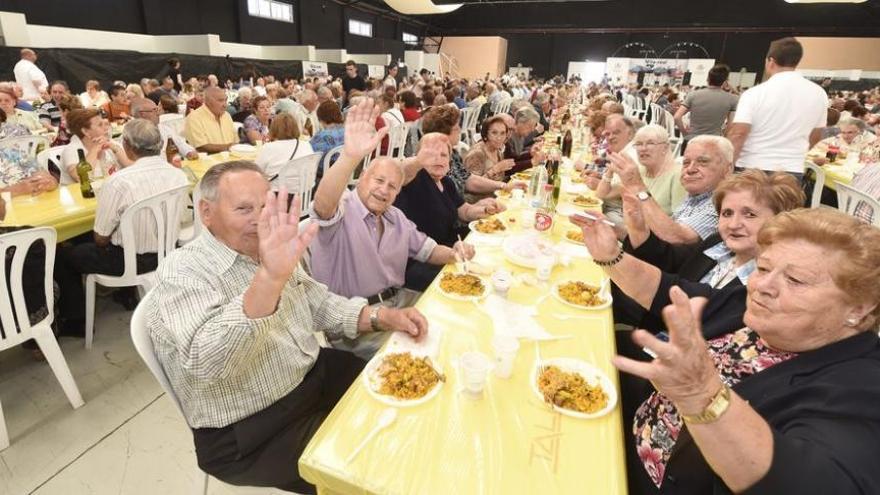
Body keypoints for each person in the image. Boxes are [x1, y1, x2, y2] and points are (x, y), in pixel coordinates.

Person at [147, 160, 427, 493]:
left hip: (308, 377)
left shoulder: (268, 248)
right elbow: (208, 362)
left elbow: (318, 303)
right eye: (243, 209)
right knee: (371, 462)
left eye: (266, 206)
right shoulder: (183, 271)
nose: (259, 219)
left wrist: (382, 316)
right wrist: (269, 279)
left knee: (402, 397)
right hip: (250, 427)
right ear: (206, 212)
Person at [578, 207, 880, 494]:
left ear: (859, 307)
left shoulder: (860, 385)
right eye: (763, 268)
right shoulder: (751, 306)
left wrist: (701, 394)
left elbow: (815, 483)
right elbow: (668, 291)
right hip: (619, 431)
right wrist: (610, 256)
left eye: (796, 280)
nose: (763, 285)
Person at [310, 99, 473, 357]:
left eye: (392, 186)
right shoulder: (342, 211)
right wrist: (350, 157)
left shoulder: (395, 217)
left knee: (457, 322)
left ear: (398, 192)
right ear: (362, 179)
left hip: (401, 300)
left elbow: (428, 250)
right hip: (360, 326)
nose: (383, 190)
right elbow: (322, 204)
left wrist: (455, 253)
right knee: (431, 353)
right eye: (378, 181)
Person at [589, 169, 803, 333]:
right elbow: (669, 260)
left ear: (780, 223)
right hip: (655, 329)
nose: (733, 224)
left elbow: (688, 299)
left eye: (749, 215)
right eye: (727, 213)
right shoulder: (718, 243)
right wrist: (637, 227)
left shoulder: (768, 282)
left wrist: (612, 258)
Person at [55, 119, 187, 333]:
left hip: (130, 261)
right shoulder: (177, 173)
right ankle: (124, 295)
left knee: (63, 255)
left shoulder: (119, 182)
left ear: (126, 146)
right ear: (160, 144)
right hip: (169, 251)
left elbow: (100, 238)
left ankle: (76, 321)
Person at [395, 132, 503, 290]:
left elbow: (465, 211)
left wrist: (485, 209)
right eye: (431, 155)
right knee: (474, 282)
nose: (438, 159)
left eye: (444, 155)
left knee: (492, 256)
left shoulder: (446, 182)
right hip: (419, 261)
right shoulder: (413, 179)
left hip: (449, 249)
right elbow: (398, 172)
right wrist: (417, 162)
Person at [727, 38, 827, 178]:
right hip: (791, 169)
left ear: (770, 61)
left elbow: (738, 134)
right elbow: (816, 135)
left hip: (752, 167)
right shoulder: (819, 93)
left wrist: (727, 168)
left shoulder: (755, 93)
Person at [612, 135, 734, 245]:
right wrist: (613, 230)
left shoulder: (723, 204)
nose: (690, 169)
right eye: (686, 163)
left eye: (703, 162)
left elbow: (676, 237)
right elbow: (659, 240)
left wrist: (637, 186)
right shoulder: (694, 197)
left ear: (727, 170)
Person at [606, 124, 687, 216]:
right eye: (639, 144)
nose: (643, 149)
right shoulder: (640, 170)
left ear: (665, 147)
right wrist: (611, 169)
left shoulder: (678, 175)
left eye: (650, 143)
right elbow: (605, 194)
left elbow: (678, 224)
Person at [674, 64, 738, 151]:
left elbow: (677, 117)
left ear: (708, 79)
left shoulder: (693, 95)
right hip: (714, 143)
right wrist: (724, 137)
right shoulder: (732, 99)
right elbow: (731, 125)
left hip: (692, 141)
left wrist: (685, 133)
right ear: (725, 81)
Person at [60, 108, 131, 184]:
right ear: (86, 131)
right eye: (100, 125)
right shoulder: (71, 150)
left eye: (106, 124)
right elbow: (79, 177)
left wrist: (115, 149)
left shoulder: (110, 143)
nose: (106, 128)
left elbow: (133, 167)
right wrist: (95, 149)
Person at [0, 110, 58, 195]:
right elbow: (17, 190)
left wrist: (48, 182)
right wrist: (14, 190)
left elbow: (49, 179)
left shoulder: (10, 153)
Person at [254, 112, 314, 192]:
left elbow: (256, 172)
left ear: (274, 128)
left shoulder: (269, 148)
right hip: (303, 195)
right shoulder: (306, 145)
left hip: (274, 196)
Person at [129, 98, 197, 160]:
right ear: (142, 114)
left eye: (158, 109)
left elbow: (181, 144)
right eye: (154, 110)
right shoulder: (130, 135)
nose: (158, 114)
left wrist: (189, 152)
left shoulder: (164, 128)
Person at [185, 87, 238, 153]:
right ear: (208, 102)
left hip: (231, 157)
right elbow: (201, 147)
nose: (225, 105)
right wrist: (229, 147)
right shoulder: (194, 118)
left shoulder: (227, 115)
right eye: (220, 100)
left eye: (225, 100)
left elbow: (235, 140)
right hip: (208, 160)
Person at [463, 115, 515, 181]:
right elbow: (471, 185)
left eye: (502, 133)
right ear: (485, 135)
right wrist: (496, 169)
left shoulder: (498, 150)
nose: (499, 138)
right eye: (494, 133)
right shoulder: (477, 154)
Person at [808, 117, 875, 165]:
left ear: (860, 131)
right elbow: (820, 144)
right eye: (843, 132)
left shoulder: (869, 140)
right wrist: (838, 150)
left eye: (850, 132)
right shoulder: (839, 137)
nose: (845, 136)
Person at [309, 100, 345, 166]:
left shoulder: (322, 136)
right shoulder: (347, 131)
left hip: (325, 171)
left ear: (321, 117)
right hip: (346, 169)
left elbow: (309, 154)